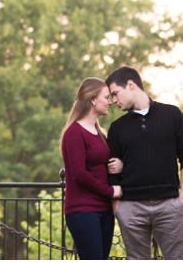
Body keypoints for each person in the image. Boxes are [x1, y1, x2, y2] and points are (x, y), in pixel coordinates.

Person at [106, 66, 183, 260]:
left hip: (169, 206)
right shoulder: (117, 128)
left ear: (130, 85)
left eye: (115, 93)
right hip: (131, 209)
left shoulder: (172, 115)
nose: (113, 101)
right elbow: (111, 173)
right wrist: (118, 210)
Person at [59, 77, 124, 260]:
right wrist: (110, 191)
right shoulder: (74, 133)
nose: (110, 102)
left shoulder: (100, 133)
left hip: (104, 211)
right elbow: (79, 174)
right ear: (93, 99)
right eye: (106, 97)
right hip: (83, 212)